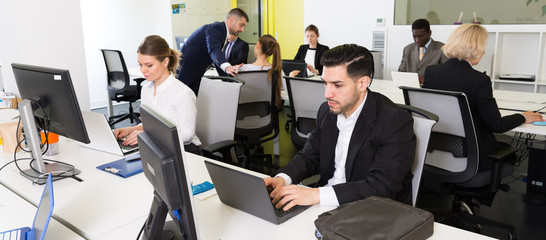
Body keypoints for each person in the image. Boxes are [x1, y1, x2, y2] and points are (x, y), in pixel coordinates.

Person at [264, 44, 416, 211]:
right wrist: (283, 178)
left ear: (363, 83)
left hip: (370, 211)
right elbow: (309, 156)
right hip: (326, 205)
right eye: (325, 83)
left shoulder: (395, 121)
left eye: (337, 85)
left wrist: (316, 195)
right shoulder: (326, 111)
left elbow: (382, 185)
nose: (327, 94)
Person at [422, 24, 543, 171]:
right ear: (474, 48)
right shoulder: (479, 80)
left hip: (438, 150)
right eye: (483, 46)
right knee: (508, 151)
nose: (485, 51)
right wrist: (523, 116)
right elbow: (496, 125)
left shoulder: (431, 72)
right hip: (473, 156)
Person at [114, 35, 201, 154]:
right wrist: (131, 129)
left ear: (165, 62)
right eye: (140, 64)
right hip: (157, 146)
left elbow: (188, 134)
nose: (143, 70)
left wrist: (151, 136)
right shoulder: (146, 89)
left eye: (149, 65)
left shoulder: (182, 93)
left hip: (184, 150)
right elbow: (150, 125)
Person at [176, 8, 249, 94]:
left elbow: (215, 57)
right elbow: (214, 50)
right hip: (186, 76)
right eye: (241, 25)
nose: (242, 30)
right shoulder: (216, 29)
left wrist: (229, 81)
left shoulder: (222, 32)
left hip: (194, 76)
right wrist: (227, 67)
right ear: (231, 20)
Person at [238, 34, 283, 109]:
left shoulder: (242, 69)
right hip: (267, 116)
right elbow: (287, 90)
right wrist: (291, 76)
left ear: (258, 45)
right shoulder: (276, 70)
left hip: (244, 115)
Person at [398, 19, 448, 84]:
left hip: (432, 90)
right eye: (414, 36)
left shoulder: (442, 49)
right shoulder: (408, 49)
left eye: (420, 36)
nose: (417, 40)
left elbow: (446, 74)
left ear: (429, 33)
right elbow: (401, 72)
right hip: (410, 89)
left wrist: (426, 80)